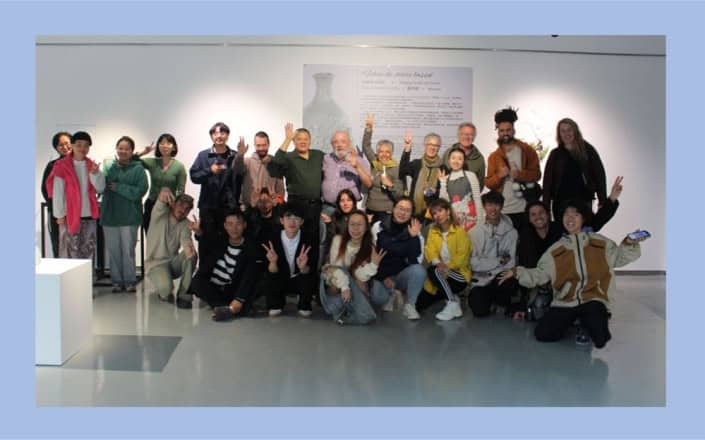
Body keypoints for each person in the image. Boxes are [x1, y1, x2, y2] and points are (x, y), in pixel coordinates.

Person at [498, 200, 648, 349]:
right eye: (566, 215)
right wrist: (517, 272)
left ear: (583, 218)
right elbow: (540, 274)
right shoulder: (556, 249)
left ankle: (586, 323)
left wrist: (629, 243)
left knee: (600, 337)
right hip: (566, 301)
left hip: (593, 299)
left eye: (575, 215)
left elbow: (619, 257)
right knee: (543, 334)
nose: (570, 219)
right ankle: (576, 320)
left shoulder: (599, 242)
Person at [269, 123, 325, 271]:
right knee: (296, 240)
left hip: (315, 206)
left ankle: (310, 274)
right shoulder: (288, 157)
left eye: (305, 139)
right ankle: (293, 274)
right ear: (294, 141)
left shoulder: (318, 155)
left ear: (310, 140)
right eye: (299, 139)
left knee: (314, 242)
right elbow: (274, 166)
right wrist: (287, 139)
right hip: (296, 206)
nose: (303, 141)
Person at [319, 210, 387, 325]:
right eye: (352, 224)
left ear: (366, 227)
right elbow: (335, 269)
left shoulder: (369, 246)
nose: (356, 228)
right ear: (347, 226)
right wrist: (345, 287)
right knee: (337, 282)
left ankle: (351, 308)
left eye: (360, 224)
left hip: (355, 283)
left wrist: (373, 265)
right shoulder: (338, 240)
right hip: (336, 281)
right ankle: (349, 307)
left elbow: (361, 276)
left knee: (363, 284)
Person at [46, 130, 105, 260]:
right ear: (72, 145)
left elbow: (101, 188)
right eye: (79, 145)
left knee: (88, 252)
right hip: (69, 216)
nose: (82, 148)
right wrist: (59, 215)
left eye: (86, 145)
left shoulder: (92, 165)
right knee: (68, 253)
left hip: (89, 215)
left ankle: (88, 274)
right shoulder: (61, 166)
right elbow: (58, 192)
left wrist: (95, 174)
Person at [190, 210, 261, 317]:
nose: (234, 228)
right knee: (197, 283)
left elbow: (249, 276)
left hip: (232, 289)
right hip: (214, 287)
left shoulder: (250, 247)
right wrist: (199, 232)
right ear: (225, 226)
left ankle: (231, 307)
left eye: (238, 224)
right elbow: (205, 240)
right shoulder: (220, 239)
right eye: (230, 224)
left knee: (255, 283)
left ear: (244, 225)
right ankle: (229, 308)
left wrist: (239, 298)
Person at [101, 136, 148, 292]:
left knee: (128, 250)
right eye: (120, 148)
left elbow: (140, 191)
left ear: (132, 151)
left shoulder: (138, 169)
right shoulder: (109, 167)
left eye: (127, 149)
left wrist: (118, 187)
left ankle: (129, 281)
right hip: (110, 214)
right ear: (116, 149)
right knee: (113, 250)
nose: (123, 151)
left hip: (130, 216)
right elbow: (102, 186)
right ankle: (116, 281)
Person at [370, 197, 427, 320]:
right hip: (381, 274)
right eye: (400, 208)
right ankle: (391, 294)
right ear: (393, 208)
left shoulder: (415, 231)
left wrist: (413, 238)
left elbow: (415, 261)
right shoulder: (378, 226)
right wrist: (382, 276)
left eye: (407, 210)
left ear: (411, 214)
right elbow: (371, 256)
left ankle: (410, 304)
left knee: (419, 271)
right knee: (378, 298)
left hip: (401, 275)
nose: (403, 213)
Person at [542, 118, 607, 225]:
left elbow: (599, 176)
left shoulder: (588, 151)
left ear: (575, 131)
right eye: (563, 131)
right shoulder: (556, 154)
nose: (566, 134)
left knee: (584, 230)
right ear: (559, 134)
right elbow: (547, 182)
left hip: (583, 200)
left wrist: (602, 201)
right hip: (561, 202)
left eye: (569, 130)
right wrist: (546, 207)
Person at [485, 107, 541, 230]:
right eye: (502, 130)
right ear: (498, 132)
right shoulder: (494, 157)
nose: (505, 133)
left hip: (525, 208)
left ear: (514, 130)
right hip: (503, 210)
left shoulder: (527, 150)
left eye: (508, 130)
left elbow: (537, 174)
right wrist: (499, 176)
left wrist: (520, 175)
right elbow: (489, 183)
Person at [416, 198, 472, 321]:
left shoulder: (460, 232)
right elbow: (430, 250)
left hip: (459, 276)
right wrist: (438, 263)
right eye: (434, 213)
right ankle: (452, 297)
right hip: (441, 275)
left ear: (448, 211)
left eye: (440, 210)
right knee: (419, 305)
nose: (437, 215)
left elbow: (462, 257)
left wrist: (446, 267)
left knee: (433, 271)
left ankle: (452, 303)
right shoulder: (433, 231)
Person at [467, 191, 519, 317]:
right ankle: (491, 302)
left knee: (510, 283)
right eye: (489, 205)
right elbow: (472, 263)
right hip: (480, 280)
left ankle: (499, 302)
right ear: (484, 207)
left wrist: (489, 268)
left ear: (501, 206)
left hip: (499, 277)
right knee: (479, 311)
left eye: (496, 205)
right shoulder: (474, 232)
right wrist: (498, 261)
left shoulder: (511, 232)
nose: (493, 209)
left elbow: (510, 262)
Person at [260, 203, 317, 317]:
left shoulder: (309, 238)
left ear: (302, 221)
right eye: (288, 217)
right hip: (280, 276)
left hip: (299, 277)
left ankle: (304, 304)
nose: (292, 222)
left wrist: (303, 268)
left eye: (296, 218)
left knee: (310, 276)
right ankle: (275, 304)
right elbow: (271, 270)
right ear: (281, 220)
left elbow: (312, 267)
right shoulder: (272, 238)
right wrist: (273, 262)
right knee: (269, 275)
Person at [189, 122, 237, 256]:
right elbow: (194, 176)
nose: (219, 136)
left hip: (229, 207)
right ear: (211, 136)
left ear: (227, 135)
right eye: (215, 133)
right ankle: (206, 268)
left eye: (222, 133)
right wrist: (209, 171)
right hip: (208, 207)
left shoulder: (234, 155)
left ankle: (226, 268)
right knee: (206, 241)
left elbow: (240, 180)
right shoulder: (203, 155)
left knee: (229, 241)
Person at [144, 188, 197, 307]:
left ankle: (184, 295)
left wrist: (189, 249)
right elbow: (162, 196)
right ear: (173, 204)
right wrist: (165, 191)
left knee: (192, 255)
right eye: (181, 205)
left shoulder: (186, 223)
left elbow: (186, 240)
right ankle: (164, 288)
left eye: (187, 209)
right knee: (166, 290)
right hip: (155, 264)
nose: (183, 210)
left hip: (173, 263)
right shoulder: (159, 214)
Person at [513, 200, 564, 320]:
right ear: (529, 219)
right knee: (538, 311)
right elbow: (525, 269)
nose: (538, 217)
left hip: (561, 280)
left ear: (548, 214)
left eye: (541, 213)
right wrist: (522, 306)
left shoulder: (559, 230)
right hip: (539, 281)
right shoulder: (526, 236)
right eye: (533, 214)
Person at [134, 133, 187, 233]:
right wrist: (144, 152)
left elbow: (181, 190)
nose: (165, 146)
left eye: (168, 143)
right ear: (158, 147)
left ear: (174, 147)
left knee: (166, 238)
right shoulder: (152, 162)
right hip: (152, 204)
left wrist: (175, 206)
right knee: (150, 235)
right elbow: (132, 160)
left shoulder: (179, 167)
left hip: (169, 207)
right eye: (162, 143)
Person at [360, 113, 404, 224]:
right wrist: (369, 128)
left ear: (391, 153)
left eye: (387, 152)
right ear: (377, 153)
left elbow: (400, 194)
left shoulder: (397, 168)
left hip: (387, 212)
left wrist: (390, 185)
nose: (384, 155)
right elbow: (366, 146)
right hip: (370, 210)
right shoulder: (375, 162)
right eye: (381, 151)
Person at [321, 130, 372, 213]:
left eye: (343, 141)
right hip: (328, 208)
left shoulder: (360, 161)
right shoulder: (326, 158)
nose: (339, 145)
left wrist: (357, 166)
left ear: (349, 143)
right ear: (332, 145)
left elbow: (369, 184)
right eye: (335, 142)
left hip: (349, 209)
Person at [231, 131, 285, 210]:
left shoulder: (275, 163)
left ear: (269, 144)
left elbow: (280, 190)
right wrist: (240, 155)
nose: (261, 148)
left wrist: (276, 203)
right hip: (248, 209)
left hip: (270, 211)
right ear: (254, 145)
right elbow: (236, 169)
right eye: (258, 145)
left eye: (264, 145)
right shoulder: (247, 162)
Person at [437, 147, 484, 232]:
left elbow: (477, 198)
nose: (456, 161)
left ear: (464, 161)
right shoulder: (446, 178)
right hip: (454, 219)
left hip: (471, 218)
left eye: (460, 159)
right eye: (453, 158)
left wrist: (480, 221)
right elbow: (443, 202)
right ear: (449, 160)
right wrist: (442, 183)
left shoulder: (471, 175)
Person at [41, 131, 72, 257]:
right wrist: (57, 208)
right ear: (56, 148)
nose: (65, 147)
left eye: (67, 143)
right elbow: (45, 189)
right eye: (60, 145)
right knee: (59, 244)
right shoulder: (52, 165)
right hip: (57, 214)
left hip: (77, 212)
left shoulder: (81, 163)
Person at [399, 132, 443, 218]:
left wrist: (436, 191)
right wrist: (407, 149)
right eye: (430, 144)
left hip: (433, 213)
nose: (432, 148)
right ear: (425, 146)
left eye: (436, 145)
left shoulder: (442, 168)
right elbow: (402, 171)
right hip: (413, 211)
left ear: (439, 148)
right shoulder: (417, 164)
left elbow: (445, 192)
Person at [442, 122, 486, 189]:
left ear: (474, 137)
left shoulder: (479, 158)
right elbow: (442, 175)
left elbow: (480, 183)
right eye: (463, 134)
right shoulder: (448, 153)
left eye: (470, 135)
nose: (466, 137)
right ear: (458, 135)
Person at [320, 188, 356, 265]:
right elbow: (332, 240)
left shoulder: (359, 218)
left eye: (349, 200)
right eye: (342, 201)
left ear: (353, 202)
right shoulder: (335, 217)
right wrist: (329, 223)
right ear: (338, 203)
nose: (345, 203)